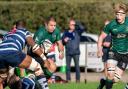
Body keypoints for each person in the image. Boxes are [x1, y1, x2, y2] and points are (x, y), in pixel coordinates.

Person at [0, 20, 53, 89]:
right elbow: (34, 46)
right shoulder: (24, 31)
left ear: (15, 27)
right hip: (13, 52)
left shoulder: (7, 34)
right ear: (24, 27)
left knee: (2, 77)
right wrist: (45, 59)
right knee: (37, 68)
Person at [97, 3, 128, 89]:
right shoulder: (111, 25)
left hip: (125, 54)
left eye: (121, 14)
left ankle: (103, 82)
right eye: (117, 14)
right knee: (110, 74)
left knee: (115, 79)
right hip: (113, 52)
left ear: (125, 14)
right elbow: (101, 37)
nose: (118, 16)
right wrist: (99, 50)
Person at [28, 16, 64, 83]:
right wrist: (45, 50)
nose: (53, 27)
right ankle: (39, 81)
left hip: (43, 55)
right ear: (46, 24)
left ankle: (41, 82)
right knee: (48, 66)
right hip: (33, 55)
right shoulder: (40, 33)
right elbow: (34, 49)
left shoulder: (56, 31)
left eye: (54, 25)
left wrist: (61, 51)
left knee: (53, 66)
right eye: (51, 25)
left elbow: (60, 44)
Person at [62, 18, 83, 83]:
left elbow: (82, 28)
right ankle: (68, 80)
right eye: (71, 24)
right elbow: (62, 41)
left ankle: (78, 80)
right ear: (69, 25)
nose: (72, 26)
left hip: (76, 52)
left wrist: (77, 23)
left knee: (77, 67)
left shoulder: (78, 32)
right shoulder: (66, 32)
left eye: (73, 25)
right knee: (68, 68)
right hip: (68, 52)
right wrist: (64, 40)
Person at [97, 20, 111, 89]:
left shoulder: (113, 32)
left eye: (107, 25)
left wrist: (110, 44)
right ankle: (107, 80)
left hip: (111, 51)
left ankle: (107, 81)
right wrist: (100, 50)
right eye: (105, 25)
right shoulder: (103, 33)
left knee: (111, 67)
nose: (106, 26)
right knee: (105, 66)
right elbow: (99, 42)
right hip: (105, 50)